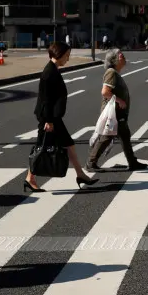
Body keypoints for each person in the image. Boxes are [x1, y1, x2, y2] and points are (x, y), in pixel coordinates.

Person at [25, 42, 99, 193]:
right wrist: (48, 121)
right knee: (41, 148)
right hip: (49, 118)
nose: (68, 59)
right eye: (66, 56)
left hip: (53, 117)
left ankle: (80, 174)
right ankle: (30, 178)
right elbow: (45, 99)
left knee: (65, 144)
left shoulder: (53, 70)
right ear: (58, 54)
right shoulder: (49, 72)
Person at [87, 47, 146, 172]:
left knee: (124, 136)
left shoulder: (115, 73)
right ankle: (91, 162)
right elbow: (105, 92)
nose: (123, 57)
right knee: (106, 137)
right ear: (114, 60)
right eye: (120, 55)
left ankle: (132, 162)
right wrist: (120, 100)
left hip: (118, 112)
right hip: (113, 112)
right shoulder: (111, 73)